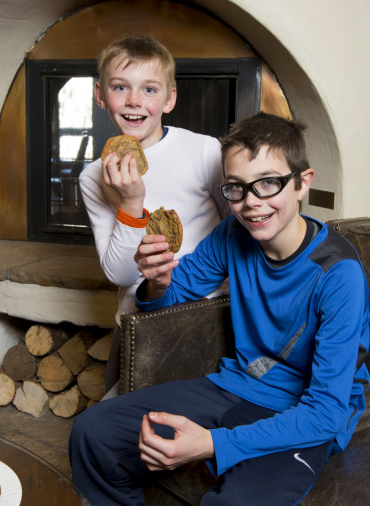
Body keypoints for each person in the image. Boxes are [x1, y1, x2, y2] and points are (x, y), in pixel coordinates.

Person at [69, 112, 370, 506]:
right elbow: (172, 295)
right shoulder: (234, 234)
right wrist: (157, 281)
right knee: (93, 432)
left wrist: (211, 443)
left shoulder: (339, 274)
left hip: (304, 412)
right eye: (236, 188)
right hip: (239, 384)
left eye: (269, 183)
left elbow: (326, 411)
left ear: (302, 183)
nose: (251, 203)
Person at [79, 35, 230, 395]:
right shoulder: (93, 176)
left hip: (207, 318)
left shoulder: (205, 151)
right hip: (138, 323)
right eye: (120, 87)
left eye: (149, 89)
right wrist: (131, 202)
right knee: (115, 428)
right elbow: (120, 272)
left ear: (170, 98)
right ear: (101, 96)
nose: (134, 101)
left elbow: (238, 232)